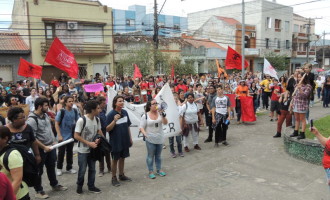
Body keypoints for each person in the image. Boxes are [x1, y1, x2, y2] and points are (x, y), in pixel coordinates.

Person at [27, 98, 68, 199]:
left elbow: (49, 129)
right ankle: (38, 190)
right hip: (40, 149)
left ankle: (54, 184)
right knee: (39, 170)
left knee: (51, 167)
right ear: (40, 106)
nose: (48, 107)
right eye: (46, 106)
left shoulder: (45, 115)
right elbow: (33, 138)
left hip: (51, 146)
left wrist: (53, 141)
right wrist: (44, 147)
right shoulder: (32, 120)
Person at [74, 100, 104, 194]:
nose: (100, 110)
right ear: (92, 110)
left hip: (93, 150)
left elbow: (99, 131)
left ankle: (91, 186)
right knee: (82, 169)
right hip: (83, 150)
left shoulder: (97, 119)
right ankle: (79, 186)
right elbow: (76, 135)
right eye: (98, 108)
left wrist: (100, 139)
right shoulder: (82, 120)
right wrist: (88, 143)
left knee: (92, 169)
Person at [106, 96, 133, 187]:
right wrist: (114, 120)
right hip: (115, 141)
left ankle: (121, 175)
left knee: (123, 158)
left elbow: (127, 126)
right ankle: (113, 178)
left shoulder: (125, 112)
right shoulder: (110, 114)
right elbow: (107, 129)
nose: (122, 102)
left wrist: (130, 138)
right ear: (115, 103)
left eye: (123, 101)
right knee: (115, 159)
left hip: (124, 140)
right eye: (120, 101)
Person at [139, 99, 168, 179]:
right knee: (150, 155)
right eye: (153, 104)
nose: (155, 105)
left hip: (159, 137)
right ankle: (151, 171)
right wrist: (145, 134)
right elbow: (141, 127)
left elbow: (165, 123)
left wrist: (163, 115)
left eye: (156, 103)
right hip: (150, 138)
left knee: (158, 155)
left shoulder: (160, 113)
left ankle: (159, 170)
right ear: (149, 106)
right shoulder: (145, 115)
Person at [0, 126, 30, 200]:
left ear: (5, 138)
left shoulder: (13, 154)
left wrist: (9, 197)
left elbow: (17, 180)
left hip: (18, 196)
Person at [55, 96, 78, 176]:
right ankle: (59, 168)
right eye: (69, 101)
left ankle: (69, 167)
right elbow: (56, 124)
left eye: (72, 101)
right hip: (62, 136)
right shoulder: (61, 112)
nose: (71, 102)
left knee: (70, 152)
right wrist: (59, 135)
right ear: (65, 102)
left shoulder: (75, 111)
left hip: (70, 136)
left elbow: (78, 122)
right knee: (61, 153)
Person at [290, 73, 312, 140]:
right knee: (297, 119)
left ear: (304, 78)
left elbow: (305, 96)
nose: (299, 78)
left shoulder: (308, 86)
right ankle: (296, 131)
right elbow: (295, 96)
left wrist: (300, 89)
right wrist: (292, 102)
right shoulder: (296, 85)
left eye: (300, 77)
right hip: (296, 104)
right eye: (298, 77)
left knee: (302, 119)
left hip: (302, 104)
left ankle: (302, 133)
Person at [97, 96, 111, 177]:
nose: (104, 104)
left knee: (107, 151)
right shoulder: (97, 113)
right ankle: (101, 170)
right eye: (103, 103)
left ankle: (109, 168)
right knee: (101, 152)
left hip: (105, 133)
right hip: (99, 134)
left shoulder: (104, 111)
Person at [168, 92, 183, 158]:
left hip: (178, 126)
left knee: (179, 141)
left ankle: (180, 151)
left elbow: (180, 117)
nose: (175, 100)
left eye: (176, 99)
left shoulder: (179, 107)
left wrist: (180, 127)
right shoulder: (168, 108)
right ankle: (172, 152)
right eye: (174, 99)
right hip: (170, 127)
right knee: (171, 141)